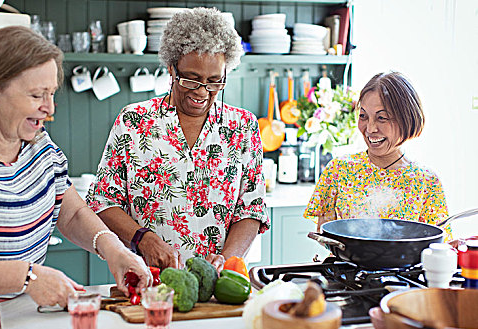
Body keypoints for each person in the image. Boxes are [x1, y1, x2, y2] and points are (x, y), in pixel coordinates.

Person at [0, 26, 152, 329]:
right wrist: (27, 277)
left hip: (23, 325)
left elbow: (70, 211)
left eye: (52, 93)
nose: (51, 108)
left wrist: (113, 249)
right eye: (36, 95)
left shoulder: (37, 143)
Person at [87, 7, 269, 272]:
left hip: (221, 285)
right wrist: (143, 239)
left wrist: (226, 260)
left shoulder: (242, 126)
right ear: (172, 69)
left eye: (214, 81)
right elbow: (103, 201)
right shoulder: (133, 122)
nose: (202, 92)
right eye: (191, 79)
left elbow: (251, 209)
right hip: (149, 278)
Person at [304, 72, 452, 241]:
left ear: (407, 119)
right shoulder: (339, 169)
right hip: (345, 266)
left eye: (382, 118)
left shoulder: (426, 181)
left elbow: (437, 246)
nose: (370, 128)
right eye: (363, 116)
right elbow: (326, 236)